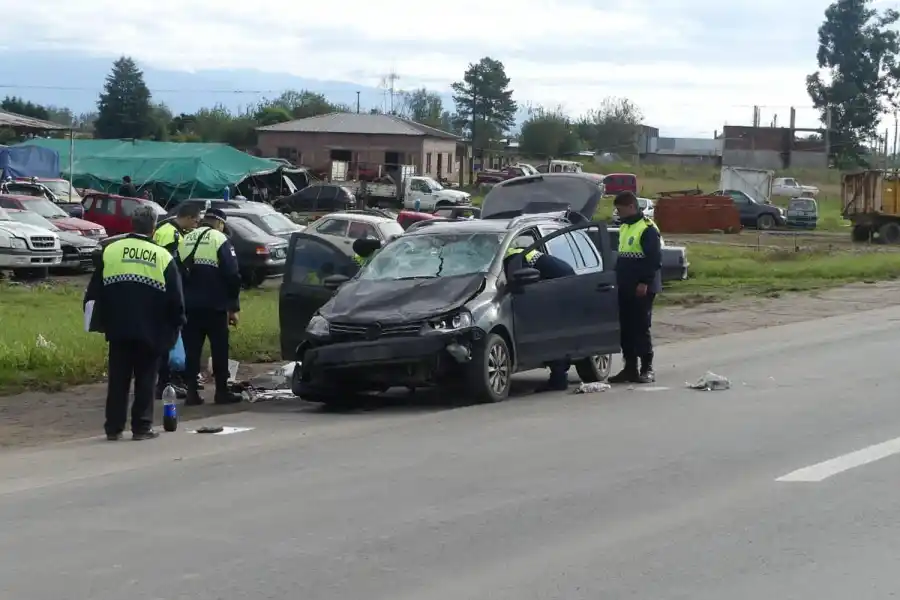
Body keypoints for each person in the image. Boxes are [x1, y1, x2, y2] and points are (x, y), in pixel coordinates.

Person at [84, 205, 185, 441]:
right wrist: (176, 326)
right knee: (146, 379)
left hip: (118, 328)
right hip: (151, 329)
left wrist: (99, 322)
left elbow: (94, 292)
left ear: (132, 224)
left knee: (118, 379)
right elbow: (175, 298)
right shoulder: (162, 256)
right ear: (153, 228)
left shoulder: (110, 251)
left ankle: (113, 427)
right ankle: (141, 427)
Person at [178, 208, 243, 405]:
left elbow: (177, 274)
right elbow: (233, 275)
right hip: (215, 306)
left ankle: (192, 393)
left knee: (192, 350)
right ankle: (221, 392)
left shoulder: (186, 239)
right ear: (221, 223)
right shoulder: (219, 239)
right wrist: (233, 307)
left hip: (189, 307)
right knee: (219, 348)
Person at [608, 191, 662, 384]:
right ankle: (630, 368)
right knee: (626, 329)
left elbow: (653, 259)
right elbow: (623, 257)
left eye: (620, 209)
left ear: (631, 207)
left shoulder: (647, 228)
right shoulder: (624, 227)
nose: (618, 213)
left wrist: (644, 282)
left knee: (640, 327)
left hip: (642, 287)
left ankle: (647, 367)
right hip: (625, 286)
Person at [505, 245, 576, 391]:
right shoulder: (517, 251)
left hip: (562, 285)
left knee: (552, 331)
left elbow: (520, 281)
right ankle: (559, 376)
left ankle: (559, 380)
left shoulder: (511, 257)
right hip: (565, 280)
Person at [153, 202, 203, 398]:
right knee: (170, 338)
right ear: (189, 218)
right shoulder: (170, 234)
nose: (197, 225)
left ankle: (170, 380)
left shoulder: (170, 229)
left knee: (171, 339)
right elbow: (170, 266)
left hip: (163, 291)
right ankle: (167, 383)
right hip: (167, 292)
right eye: (196, 221)